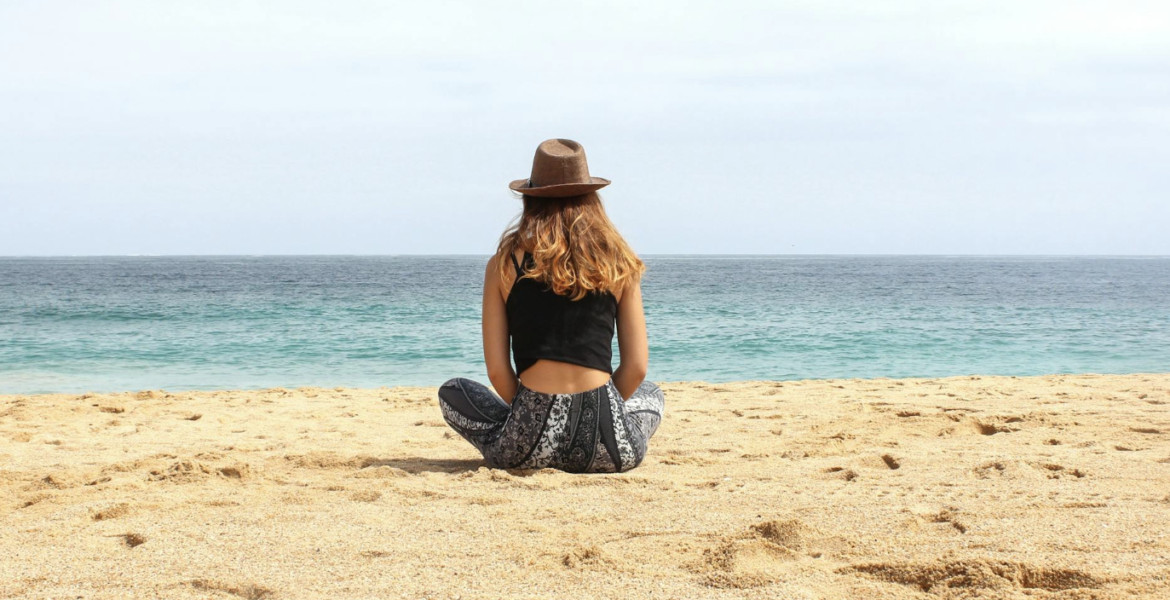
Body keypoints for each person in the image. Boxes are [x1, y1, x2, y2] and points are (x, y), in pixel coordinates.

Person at [436, 138, 665, 474]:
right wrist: (598, 410)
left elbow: (498, 372)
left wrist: (532, 412)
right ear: (591, 199)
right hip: (610, 449)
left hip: (527, 447)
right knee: (652, 394)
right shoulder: (619, 263)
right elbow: (637, 369)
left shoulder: (503, 264)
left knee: (453, 391)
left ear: (531, 199)